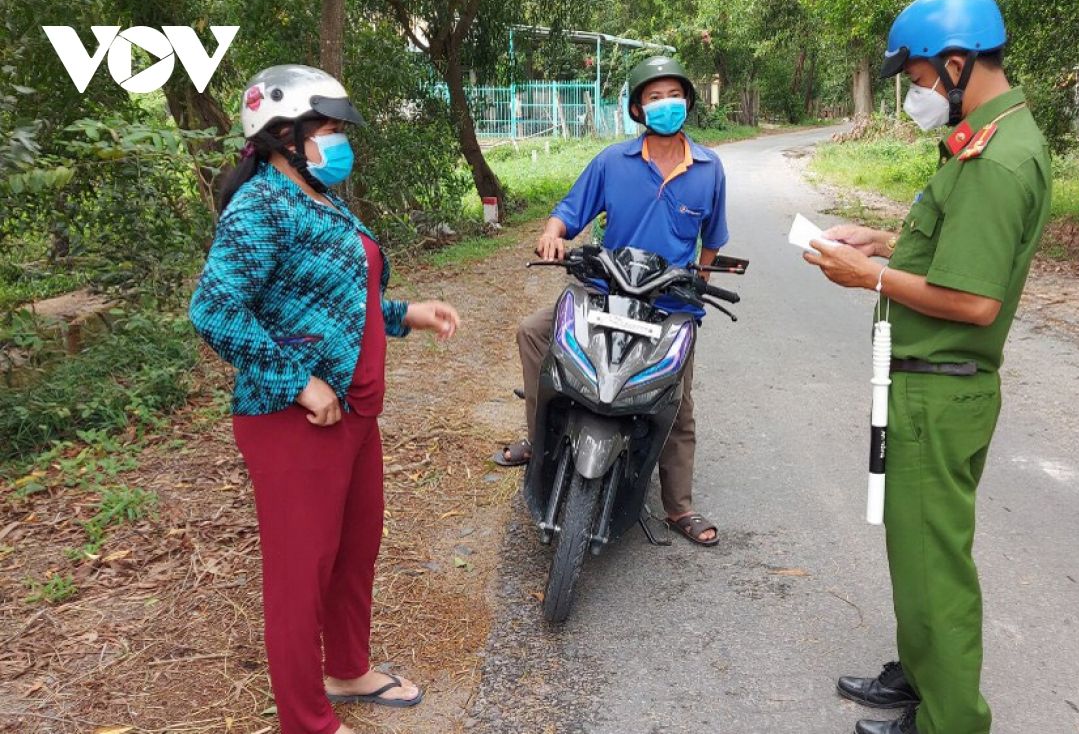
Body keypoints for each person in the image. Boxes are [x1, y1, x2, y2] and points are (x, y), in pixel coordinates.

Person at [803, 0, 1051, 733]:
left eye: (913, 79)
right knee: (914, 548)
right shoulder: (984, 142)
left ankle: (949, 720)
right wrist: (882, 242)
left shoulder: (997, 161)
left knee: (935, 563)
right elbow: (953, 245)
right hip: (923, 384)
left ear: (954, 63)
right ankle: (918, 675)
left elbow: (974, 301)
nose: (913, 94)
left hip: (940, 392)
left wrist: (869, 277)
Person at [189, 64, 461, 734]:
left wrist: (405, 314)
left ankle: (347, 669)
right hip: (293, 421)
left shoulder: (318, 196)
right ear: (284, 135)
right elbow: (215, 310)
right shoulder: (261, 207)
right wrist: (296, 380)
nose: (340, 143)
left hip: (354, 410)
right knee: (298, 574)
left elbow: (339, 297)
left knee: (353, 548)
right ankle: (306, 721)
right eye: (330, 130)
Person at [491, 55, 729, 546]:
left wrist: (698, 282)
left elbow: (714, 238)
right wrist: (552, 234)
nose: (666, 105)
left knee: (677, 401)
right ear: (639, 109)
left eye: (674, 95)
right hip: (605, 284)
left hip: (669, 301)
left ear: (688, 101)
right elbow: (568, 213)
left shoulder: (709, 169)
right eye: (654, 97)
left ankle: (678, 507)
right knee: (535, 333)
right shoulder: (612, 162)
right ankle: (542, 441)